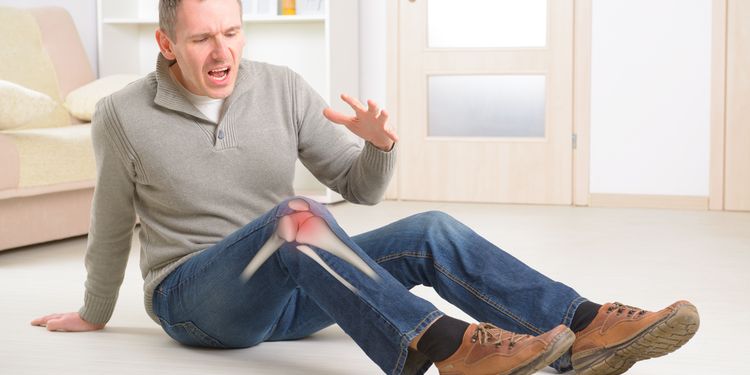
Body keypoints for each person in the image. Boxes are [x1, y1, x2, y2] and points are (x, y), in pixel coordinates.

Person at [31, 1, 700, 374]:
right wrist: (94, 310)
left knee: (428, 227)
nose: (222, 52)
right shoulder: (123, 114)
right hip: (196, 299)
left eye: (232, 33)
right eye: (202, 38)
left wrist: (379, 146)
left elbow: (360, 188)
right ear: (166, 42)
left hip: (300, 282)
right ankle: (448, 347)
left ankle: (585, 327)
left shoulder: (282, 87)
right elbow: (112, 219)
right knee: (297, 215)